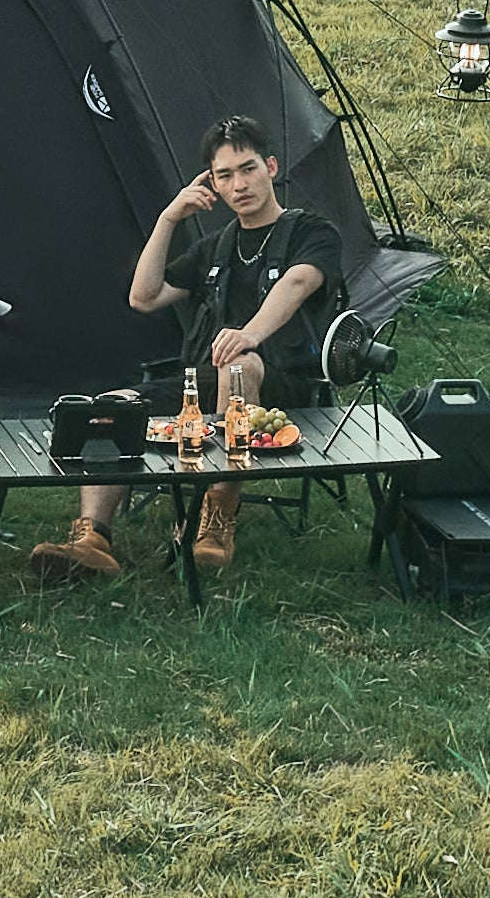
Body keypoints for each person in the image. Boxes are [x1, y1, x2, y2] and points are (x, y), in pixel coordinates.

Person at [26, 114, 342, 585]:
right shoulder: (216, 246)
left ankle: (216, 516)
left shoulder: (312, 233)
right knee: (115, 406)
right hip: (201, 389)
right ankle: (92, 539)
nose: (240, 184)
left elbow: (297, 283)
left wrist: (250, 333)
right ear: (211, 183)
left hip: (281, 388)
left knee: (238, 364)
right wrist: (168, 217)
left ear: (272, 167)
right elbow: (143, 296)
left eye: (249, 168)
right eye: (225, 175)